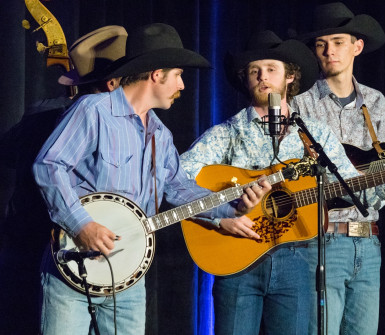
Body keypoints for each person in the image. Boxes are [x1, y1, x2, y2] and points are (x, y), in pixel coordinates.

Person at [32, 23, 270, 335]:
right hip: (75, 264)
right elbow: (49, 165)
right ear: (157, 74)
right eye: (178, 75)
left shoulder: (160, 134)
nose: (182, 85)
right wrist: (82, 225)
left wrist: (230, 206)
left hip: (128, 274)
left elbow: (178, 188)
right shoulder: (94, 111)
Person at [179, 30, 385, 334]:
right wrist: (221, 215)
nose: (262, 76)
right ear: (245, 78)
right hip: (238, 259)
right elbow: (177, 180)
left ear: (289, 77)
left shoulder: (314, 134)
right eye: (254, 71)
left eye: (271, 69)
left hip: (296, 260)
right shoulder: (228, 133)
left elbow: (349, 184)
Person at [292, 3, 385, 334]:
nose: (329, 51)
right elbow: (291, 174)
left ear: (357, 46)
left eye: (338, 42)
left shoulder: (375, 102)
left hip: (368, 244)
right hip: (321, 241)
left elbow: (375, 182)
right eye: (321, 44)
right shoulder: (299, 102)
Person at [0, 25, 127, 334]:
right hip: (76, 254)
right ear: (113, 85)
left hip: (21, 249)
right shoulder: (112, 124)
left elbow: (6, 155)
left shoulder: (39, 112)